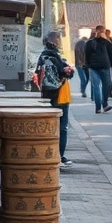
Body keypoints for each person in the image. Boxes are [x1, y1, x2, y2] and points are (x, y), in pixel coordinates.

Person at [36, 30, 75, 167]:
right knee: (62, 128)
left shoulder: (44, 56)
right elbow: (62, 73)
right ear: (54, 41)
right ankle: (59, 156)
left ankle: (54, 155)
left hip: (51, 95)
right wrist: (68, 71)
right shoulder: (52, 56)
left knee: (54, 127)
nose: (59, 42)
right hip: (59, 95)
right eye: (58, 39)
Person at [85, 24, 112, 113]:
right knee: (104, 86)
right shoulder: (104, 43)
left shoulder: (91, 43)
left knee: (98, 86)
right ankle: (103, 105)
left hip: (97, 67)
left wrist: (88, 65)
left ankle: (99, 107)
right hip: (101, 67)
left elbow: (86, 55)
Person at [73, 29, 91, 98]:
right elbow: (80, 54)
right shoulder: (83, 44)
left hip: (81, 64)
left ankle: (83, 90)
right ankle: (83, 91)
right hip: (81, 64)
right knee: (85, 78)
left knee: (85, 78)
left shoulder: (79, 44)